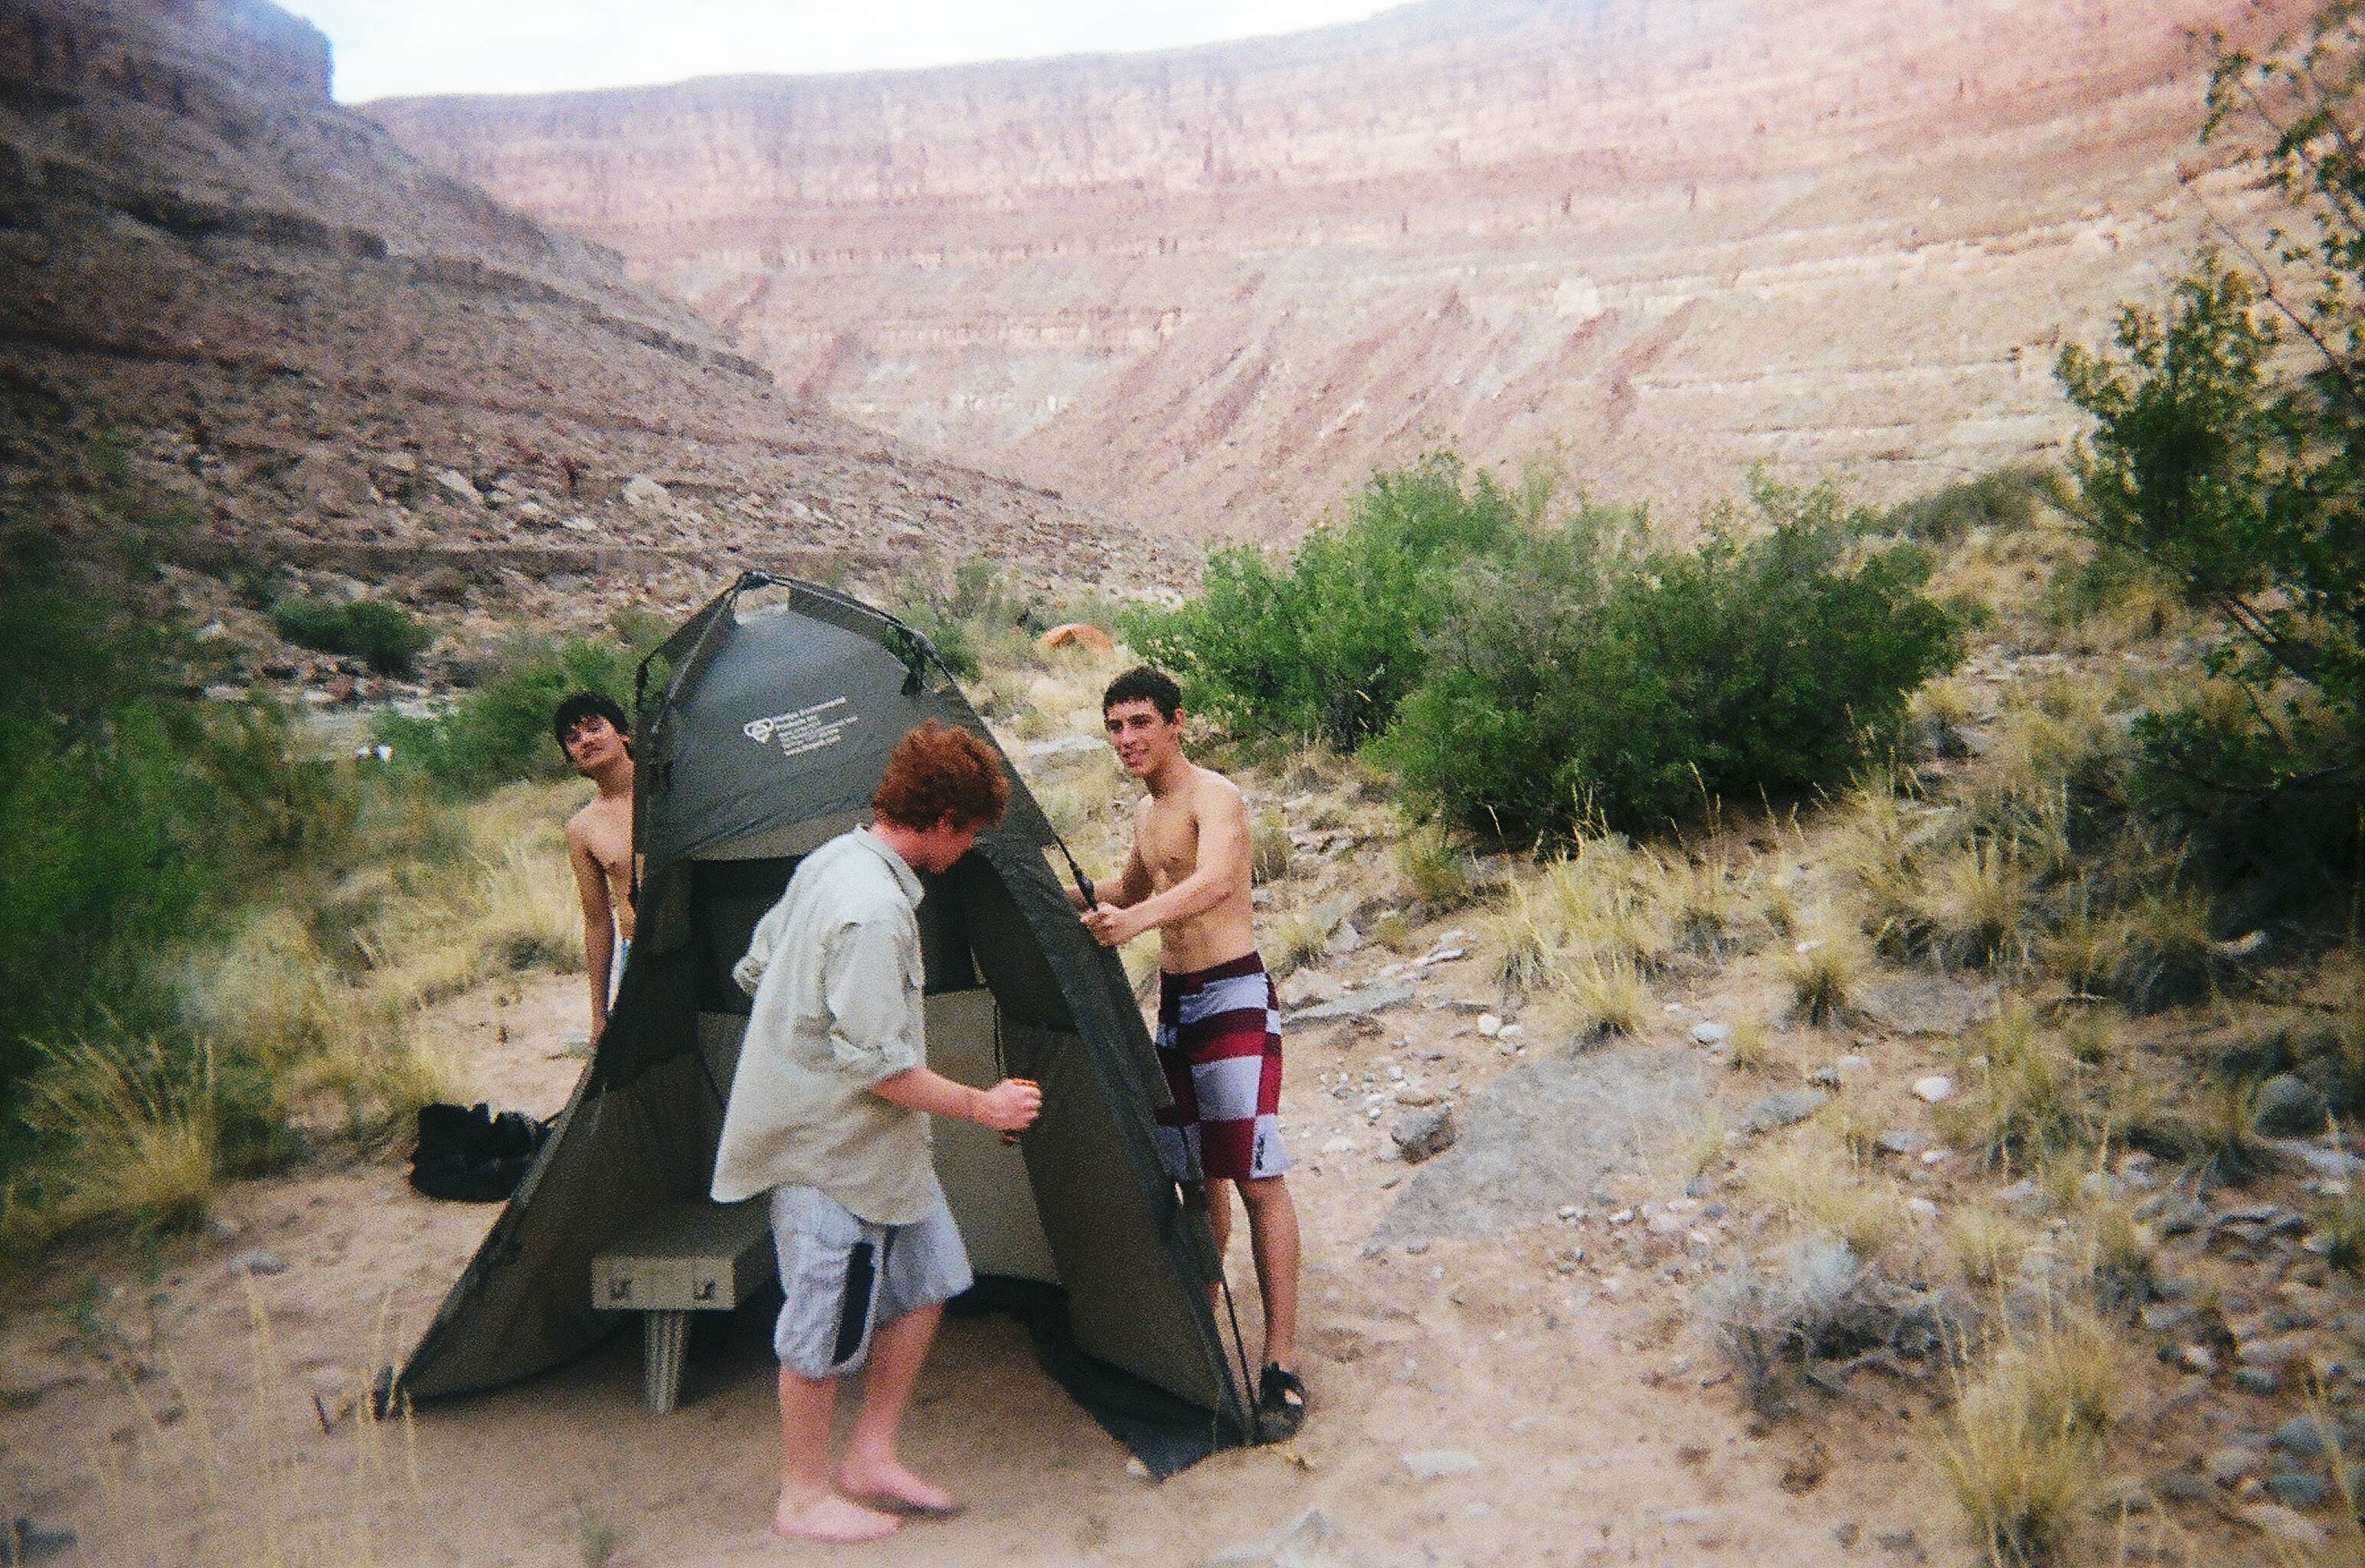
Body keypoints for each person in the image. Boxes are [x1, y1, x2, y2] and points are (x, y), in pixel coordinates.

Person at [713, 720, 1044, 1544]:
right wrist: (984, 1104)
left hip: (881, 1147)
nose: (966, 849)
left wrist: (797, 1031)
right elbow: (876, 1067)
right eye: (967, 833)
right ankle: (802, 1494)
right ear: (940, 820)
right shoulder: (870, 907)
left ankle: (870, 1455)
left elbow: (753, 969)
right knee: (822, 1323)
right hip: (827, 1149)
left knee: (929, 1276)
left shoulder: (833, 858)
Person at [1078, 665, 1307, 1440]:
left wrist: (1133, 921)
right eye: (1114, 726)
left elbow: (1212, 882)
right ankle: (1204, 1337)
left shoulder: (1217, 796)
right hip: (1176, 1006)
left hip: (1232, 996)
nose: (1126, 739)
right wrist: (1049, 887)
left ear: (1177, 721)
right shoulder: (1148, 813)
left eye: (1139, 722)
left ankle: (1279, 1363)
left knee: (1253, 1174)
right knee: (1192, 1178)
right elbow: (1126, 883)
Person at [556, 691, 635, 1041]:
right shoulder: (583, 828)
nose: (586, 740)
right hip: (640, 955)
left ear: (623, 733)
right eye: (573, 739)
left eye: (594, 728)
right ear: (571, 759)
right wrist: (599, 1013)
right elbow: (597, 920)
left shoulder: (668, 789)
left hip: (702, 935)